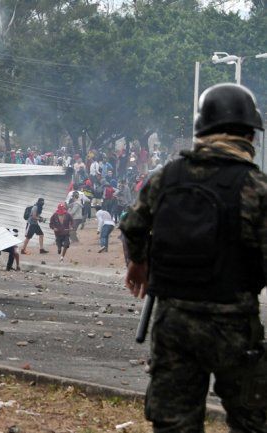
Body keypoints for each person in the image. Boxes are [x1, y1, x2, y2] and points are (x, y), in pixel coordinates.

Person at [122, 83, 267, 432]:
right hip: (233, 322)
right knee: (253, 422)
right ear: (248, 134)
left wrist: (139, 263)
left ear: (202, 131)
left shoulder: (166, 178)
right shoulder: (256, 187)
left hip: (173, 322)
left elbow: (132, 225)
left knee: (174, 424)